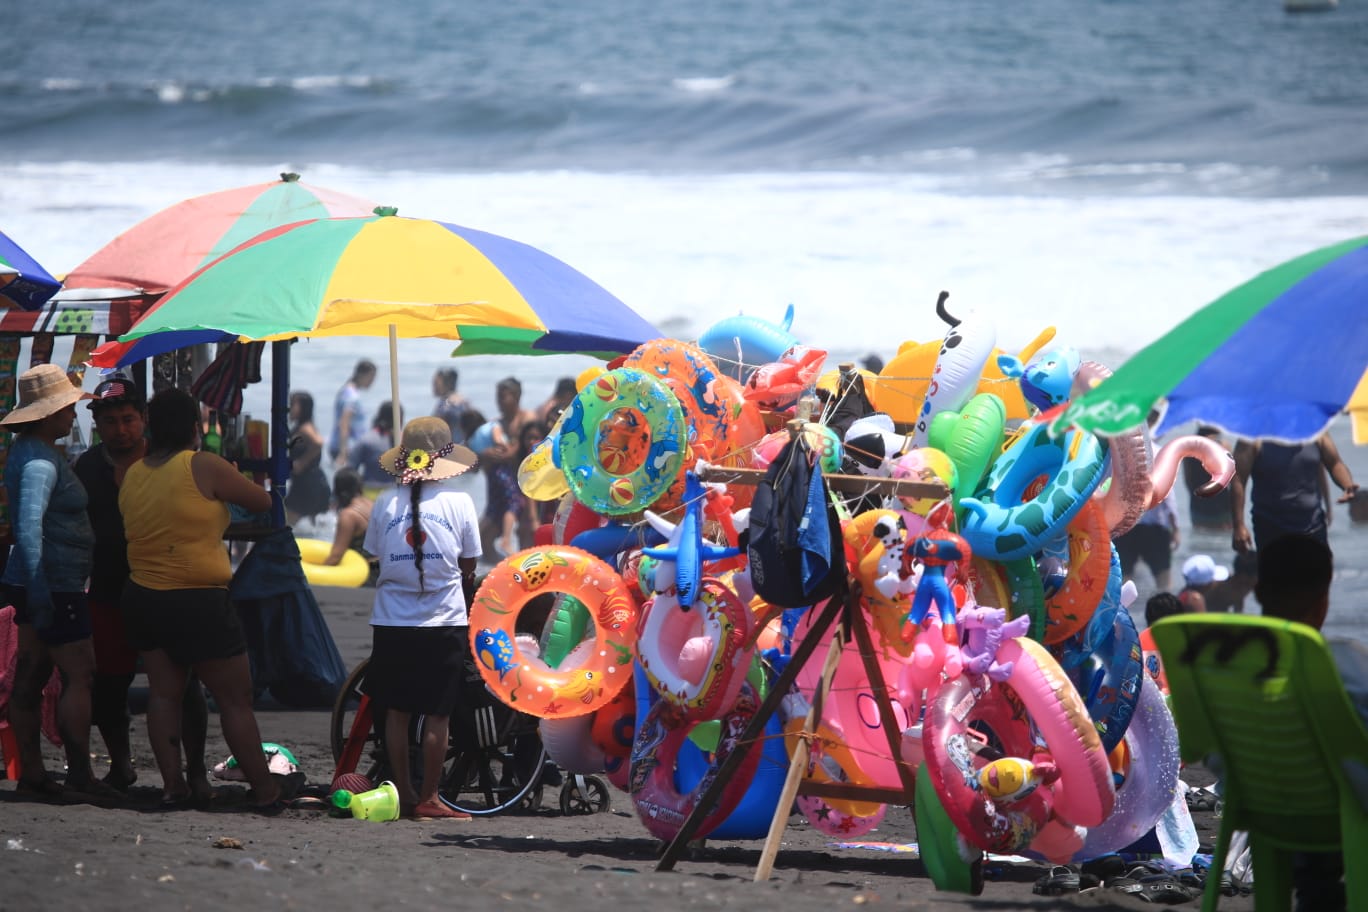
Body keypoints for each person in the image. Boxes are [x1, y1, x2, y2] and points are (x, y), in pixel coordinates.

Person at [118, 388, 296, 810]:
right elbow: (264, 501)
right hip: (198, 601)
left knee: (164, 695)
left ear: (150, 425)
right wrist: (234, 474)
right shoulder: (203, 465)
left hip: (144, 596)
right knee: (235, 699)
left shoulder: (132, 474)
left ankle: (172, 786)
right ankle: (266, 790)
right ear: (194, 427)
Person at [73, 377, 210, 796]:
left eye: (129, 419)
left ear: (144, 420)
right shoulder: (87, 467)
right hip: (109, 588)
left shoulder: (169, 461)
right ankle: (121, 765)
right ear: (96, 423)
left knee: (183, 685)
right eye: (110, 421)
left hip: (165, 588)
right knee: (110, 685)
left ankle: (197, 770)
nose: (121, 429)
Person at [0, 364, 115, 800]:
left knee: (32, 673)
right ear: (48, 414)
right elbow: (28, 528)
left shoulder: (31, 451)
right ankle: (78, 774)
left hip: (42, 582)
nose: (73, 415)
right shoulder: (39, 463)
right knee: (78, 673)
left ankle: (34, 774)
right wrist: (41, 591)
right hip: (54, 583)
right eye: (68, 408)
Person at [363, 416, 482, 821]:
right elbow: (469, 563)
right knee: (438, 713)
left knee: (395, 711)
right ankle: (430, 796)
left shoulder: (384, 501)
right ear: (445, 461)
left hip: (392, 622)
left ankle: (405, 791)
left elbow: (375, 555)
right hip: (443, 621)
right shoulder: (460, 503)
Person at [1255, 533, 1366, 912]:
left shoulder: (1227, 663)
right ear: (1325, 599)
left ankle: (1317, 889)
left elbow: (1211, 754)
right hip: (1342, 811)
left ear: (1258, 593)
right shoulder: (1343, 662)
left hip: (1259, 802)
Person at [1230, 433, 1359, 554]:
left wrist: (1347, 485)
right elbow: (1238, 479)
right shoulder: (1253, 437)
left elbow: (1335, 463)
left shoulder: (1316, 431)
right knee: (1278, 578)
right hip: (1270, 528)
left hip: (1313, 526)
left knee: (1316, 577)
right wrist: (1238, 525)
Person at [477, 377, 535, 559]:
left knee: (526, 533)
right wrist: (486, 453)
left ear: (517, 396)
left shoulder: (527, 419)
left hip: (524, 485)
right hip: (499, 486)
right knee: (483, 539)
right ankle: (500, 568)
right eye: (498, 397)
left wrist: (502, 454)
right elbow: (480, 453)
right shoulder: (497, 423)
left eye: (503, 397)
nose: (499, 402)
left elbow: (518, 450)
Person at [1114, 489, 1180, 591]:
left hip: (1125, 529)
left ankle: (1124, 603)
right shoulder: (1159, 472)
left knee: (1123, 575)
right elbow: (1169, 502)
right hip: (1154, 530)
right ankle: (1166, 603)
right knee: (1163, 577)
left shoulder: (1119, 472)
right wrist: (1175, 529)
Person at [283, 391, 331, 526]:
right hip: (313, 482)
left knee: (285, 524)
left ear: (303, 407)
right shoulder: (306, 426)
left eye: (292, 404)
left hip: (306, 485)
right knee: (309, 528)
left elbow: (318, 443)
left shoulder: (305, 428)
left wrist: (301, 463)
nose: (289, 408)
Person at [325, 467, 376, 585]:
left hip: (365, 574)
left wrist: (318, 574)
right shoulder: (373, 505)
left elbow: (336, 556)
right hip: (383, 569)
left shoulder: (348, 516)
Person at [1184, 425, 1234, 531]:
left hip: (1198, 504)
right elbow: (1232, 478)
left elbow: (1188, 479)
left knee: (1200, 540)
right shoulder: (1223, 446)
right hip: (1221, 505)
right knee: (1222, 540)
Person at [328, 358, 376, 468]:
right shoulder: (351, 396)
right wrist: (343, 453)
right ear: (362, 375)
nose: (372, 382)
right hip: (348, 448)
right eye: (371, 377)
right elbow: (344, 423)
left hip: (342, 445)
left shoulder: (346, 391)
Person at [348, 400, 401, 497]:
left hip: (369, 494)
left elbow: (350, 469)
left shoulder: (366, 440)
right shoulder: (404, 443)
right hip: (396, 494)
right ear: (399, 419)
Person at [1201, 549, 1259, 613]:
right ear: (1243, 576)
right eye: (1257, 575)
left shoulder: (1244, 585)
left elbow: (1239, 603)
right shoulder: (1223, 588)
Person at [431, 368, 470, 443]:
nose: (433, 386)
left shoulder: (446, 405)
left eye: (436, 383)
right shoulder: (464, 401)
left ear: (447, 384)